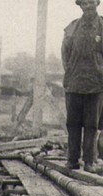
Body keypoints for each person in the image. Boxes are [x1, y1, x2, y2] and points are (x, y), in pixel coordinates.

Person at [62, 0, 103, 172]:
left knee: (91, 124)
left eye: (91, 2)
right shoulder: (71, 29)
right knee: (73, 123)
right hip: (74, 84)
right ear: (80, 6)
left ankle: (89, 161)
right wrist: (71, 74)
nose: (88, 6)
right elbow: (65, 55)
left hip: (96, 84)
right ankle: (72, 160)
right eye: (84, 3)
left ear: (97, 3)